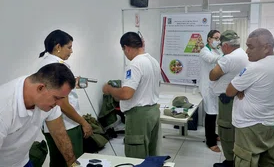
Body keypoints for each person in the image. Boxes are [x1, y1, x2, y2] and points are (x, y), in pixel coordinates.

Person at [226, 28, 274, 166]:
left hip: (248, 127)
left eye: (251, 47)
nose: (247, 51)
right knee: (266, 162)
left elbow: (230, 91)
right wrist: (241, 88)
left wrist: (240, 89)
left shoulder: (254, 68)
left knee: (245, 161)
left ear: (266, 47)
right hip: (268, 124)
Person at [0, 63, 77, 167]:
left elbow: (59, 133)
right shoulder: (4, 106)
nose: (59, 104)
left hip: (22, 161)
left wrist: (73, 164)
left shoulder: (50, 100)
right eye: (57, 98)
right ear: (40, 88)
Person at [38, 30, 93, 166]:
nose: (71, 51)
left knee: (57, 162)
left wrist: (72, 84)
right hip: (67, 125)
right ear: (58, 47)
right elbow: (62, 103)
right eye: (69, 47)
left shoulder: (45, 62)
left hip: (50, 125)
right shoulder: (58, 67)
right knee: (73, 161)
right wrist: (84, 122)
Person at [102, 32, 160, 159]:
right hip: (153, 112)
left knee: (136, 155)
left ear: (126, 47)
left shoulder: (134, 64)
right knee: (151, 152)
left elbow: (126, 93)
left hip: (139, 115)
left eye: (124, 50)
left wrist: (109, 89)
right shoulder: (153, 61)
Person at [209, 30, 249, 167]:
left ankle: (230, 161)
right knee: (234, 131)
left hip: (228, 100)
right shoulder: (243, 54)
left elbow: (212, 75)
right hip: (237, 98)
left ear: (225, 46)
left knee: (226, 130)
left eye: (221, 46)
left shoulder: (229, 58)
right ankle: (233, 160)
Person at [199, 30, 222, 152]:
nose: (218, 41)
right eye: (216, 38)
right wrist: (227, 56)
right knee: (210, 113)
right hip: (207, 86)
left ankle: (213, 135)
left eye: (219, 38)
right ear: (209, 39)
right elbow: (212, 60)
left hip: (215, 85)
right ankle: (210, 142)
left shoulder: (217, 50)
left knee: (215, 112)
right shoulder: (204, 51)